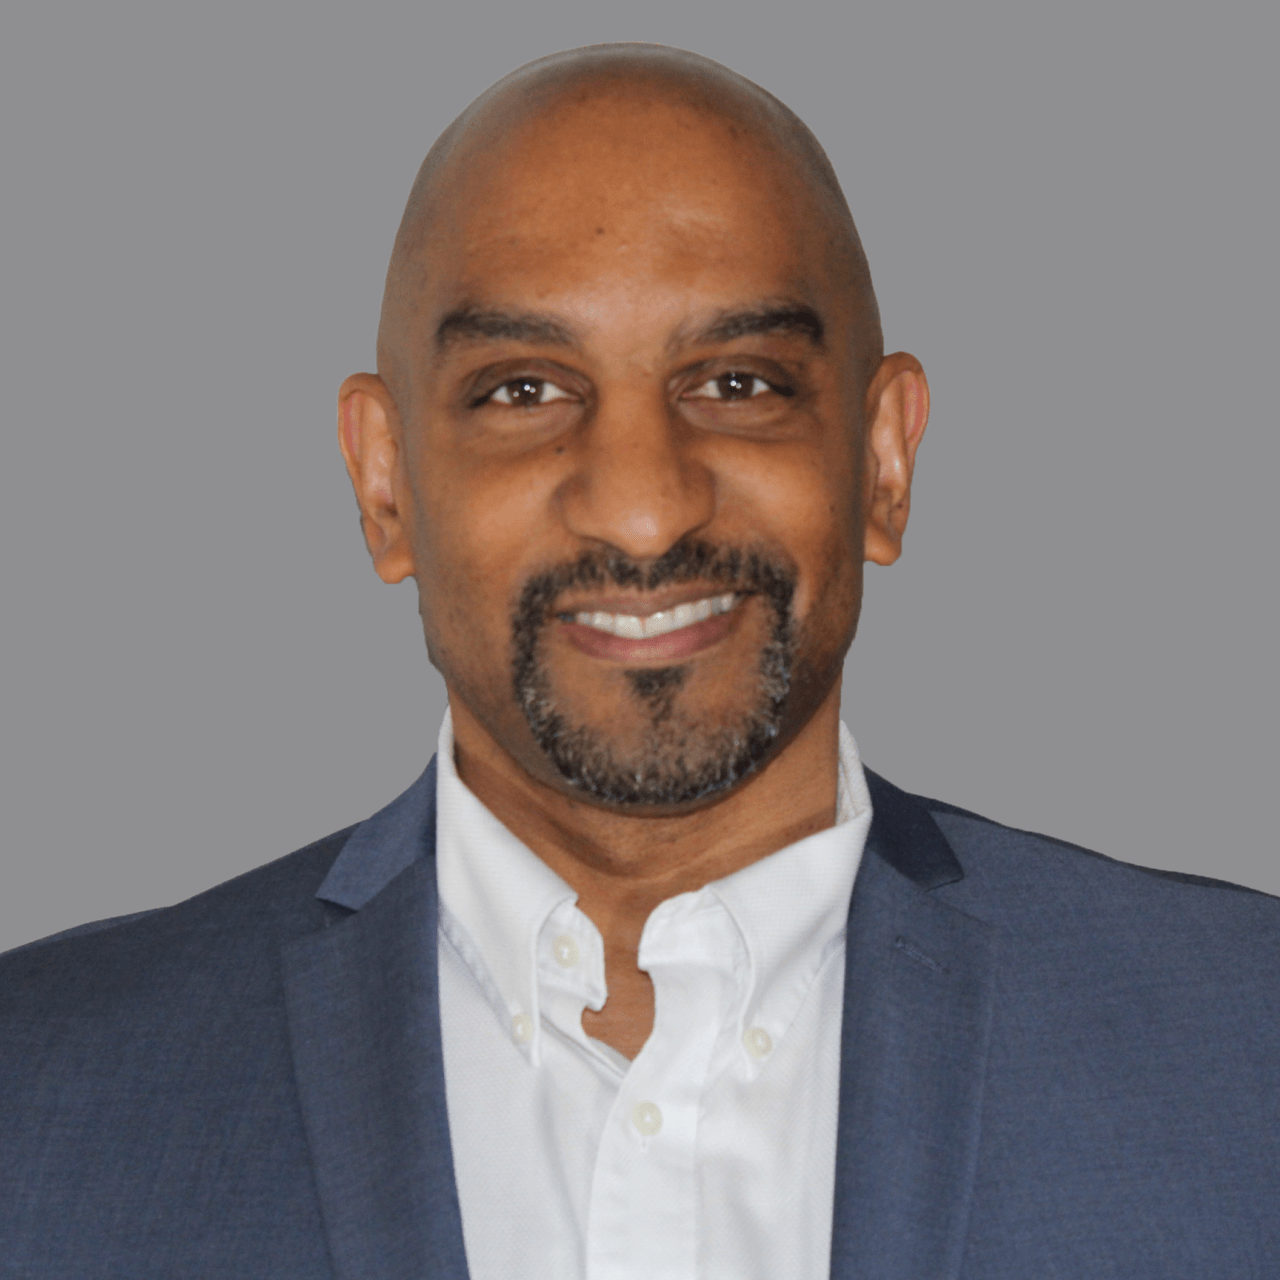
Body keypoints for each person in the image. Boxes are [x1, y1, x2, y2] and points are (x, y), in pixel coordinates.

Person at [1, 42, 1276, 1280]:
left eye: (737, 382)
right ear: (384, 486)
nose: (643, 510)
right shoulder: (37, 1089)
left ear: (882, 459)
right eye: (523, 391)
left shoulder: (1244, 1043)